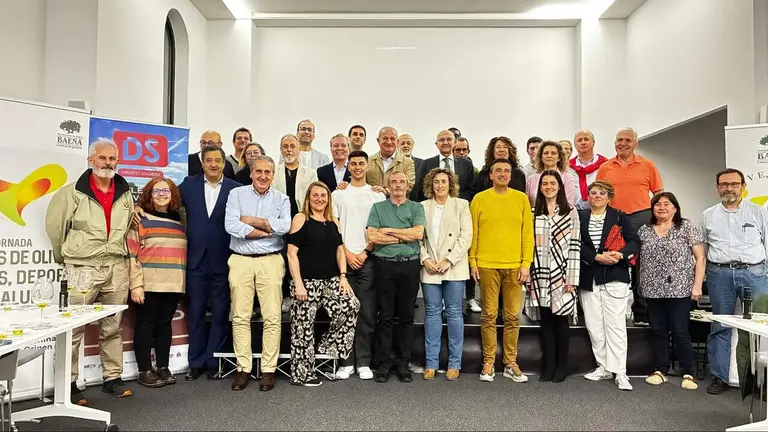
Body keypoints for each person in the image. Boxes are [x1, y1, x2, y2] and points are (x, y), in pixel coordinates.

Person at [45, 139, 134, 404]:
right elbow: (55, 228)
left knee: (113, 327)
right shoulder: (71, 192)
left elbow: (129, 226)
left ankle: (112, 379)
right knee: (73, 329)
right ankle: (68, 383)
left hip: (116, 267)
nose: (108, 163)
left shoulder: (125, 193)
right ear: (91, 160)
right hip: (82, 267)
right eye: (103, 158)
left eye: (112, 159)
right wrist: (68, 256)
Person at [224, 155, 291, 392]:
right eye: (259, 172)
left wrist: (250, 221)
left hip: (270, 261)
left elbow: (285, 227)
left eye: (268, 172)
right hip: (241, 261)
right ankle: (244, 368)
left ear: (273, 175)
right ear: (251, 173)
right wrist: (266, 229)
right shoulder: (236, 195)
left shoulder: (282, 199)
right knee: (240, 316)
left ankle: (268, 370)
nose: (263, 176)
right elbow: (231, 225)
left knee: (272, 317)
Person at [700, 168, 768, 395]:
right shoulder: (708, 215)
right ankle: (719, 377)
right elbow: (703, 249)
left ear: (743, 186)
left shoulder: (758, 212)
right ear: (717, 187)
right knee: (721, 325)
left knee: (759, 327)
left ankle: (759, 381)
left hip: (754, 273)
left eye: (734, 184)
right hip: (720, 274)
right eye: (724, 184)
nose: (729, 188)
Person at [287, 182, 361, 386]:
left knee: (351, 305)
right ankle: (302, 375)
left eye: (323, 195)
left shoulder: (333, 221)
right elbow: (292, 253)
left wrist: (343, 276)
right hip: (306, 281)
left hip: (331, 280)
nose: (319, 199)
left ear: (328, 199)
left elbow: (339, 250)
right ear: (308, 198)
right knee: (303, 327)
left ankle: (326, 347)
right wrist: (298, 284)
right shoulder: (301, 219)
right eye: (315, 195)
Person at [470, 158, 533, 383]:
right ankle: (488, 362)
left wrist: (526, 263)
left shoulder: (521, 199)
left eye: (507, 171)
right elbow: (474, 232)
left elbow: (528, 234)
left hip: (514, 265)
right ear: (490, 175)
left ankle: (510, 363)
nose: (503, 174)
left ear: (511, 175)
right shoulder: (479, 199)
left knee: (512, 317)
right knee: (488, 315)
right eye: (498, 170)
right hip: (487, 265)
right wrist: (473, 261)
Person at [597, 127, 664, 326]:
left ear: (635, 143)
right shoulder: (605, 167)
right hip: (614, 219)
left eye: (627, 140)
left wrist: (659, 219)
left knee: (642, 265)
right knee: (611, 260)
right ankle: (608, 310)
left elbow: (659, 193)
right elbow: (600, 194)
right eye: (619, 140)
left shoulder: (648, 165)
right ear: (614, 143)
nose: (623, 143)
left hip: (641, 217)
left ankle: (642, 311)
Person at [638, 192, 704, 391]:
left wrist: (697, 285)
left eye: (667, 204)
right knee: (658, 330)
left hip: (680, 288)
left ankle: (688, 372)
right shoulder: (644, 230)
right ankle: (661, 370)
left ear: (675, 208)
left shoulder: (686, 227)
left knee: (680, 330)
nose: (662, 207)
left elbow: (700, 258)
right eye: (657, 204)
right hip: (652, 288)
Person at [578, 180, 639, 391]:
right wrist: (596, 257)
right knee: (594, 325)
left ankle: (620, 371)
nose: (596, 196)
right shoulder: (579, 216)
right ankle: (603, 367)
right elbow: (576, 244)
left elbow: (634, 242)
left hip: (615, 275)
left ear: (609, 197)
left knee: (615, 325)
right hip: (589, 276)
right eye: (593, 192)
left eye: (601, 193)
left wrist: (620, 254)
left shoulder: (620, 216)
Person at [127, 177, 186, 388]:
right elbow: (131, 253)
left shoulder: (180, 221)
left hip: (173, 283)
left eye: (166, 191)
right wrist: (136, 284)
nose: (162, 194)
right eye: (156, 191)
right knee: (145, 325)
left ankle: (163, 366)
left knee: (164, 325)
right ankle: (144, 370)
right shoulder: (139, 220)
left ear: (173, 195)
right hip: (148, 283)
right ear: (149, 195)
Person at [367, 170, 425, 383]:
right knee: (385, 316)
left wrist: (389, 231)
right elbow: (373, 236)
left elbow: (418, 234)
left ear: (408, 185)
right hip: (384, 266)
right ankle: (383, 363)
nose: (398, 185)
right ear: (388, 186)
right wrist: (404, 235)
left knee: (406, 316)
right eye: (394, 182)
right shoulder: (378, 207)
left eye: (402, 181)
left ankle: (402, 362)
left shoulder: (416, 207)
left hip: (409, 266)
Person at [332, 151, 386, 380]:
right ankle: (346, 362)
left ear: (367, 166)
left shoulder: (377, 196)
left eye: (360, 164)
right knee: (344, 312)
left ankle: (363, 362)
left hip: (367, 259)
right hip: (343, 258)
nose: (356, 167)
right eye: (352, 164)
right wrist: (346, 251)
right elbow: (333, 224)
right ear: (348, 166)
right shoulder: (337, 194)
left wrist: (364, 252)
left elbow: (379, 229)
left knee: (366, 312)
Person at [419, 168, 472, 381]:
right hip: (430, 266)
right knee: (431, 312)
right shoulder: (422, 207)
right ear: (431, 185)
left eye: (444, 181)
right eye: (436, 182)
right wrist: (426, 260)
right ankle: (431, 363)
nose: (440, 185)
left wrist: (449, 260)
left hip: (454, 266)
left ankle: (454, 363)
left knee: (454, 313)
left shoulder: (462, 205)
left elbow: (466, 236)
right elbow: (417, 237)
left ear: (451, 184)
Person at [528, 170, 580, 383]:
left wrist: (572, 279)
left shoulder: (571, 211)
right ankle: (548, 365)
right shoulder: (534, 212)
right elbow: (529, 245)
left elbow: (575, 245)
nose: (548, 187)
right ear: (540, 188)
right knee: (546, 321)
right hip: (540, 273)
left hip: (563, 273)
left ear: (560, 186)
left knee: (561, 321)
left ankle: (562, 366)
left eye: (552, 183)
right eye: (545, 183)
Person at [273, 134, 319, 312]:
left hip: (302, 221)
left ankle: (302, 294)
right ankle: (285, 296)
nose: (289, 149)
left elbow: (313, 198)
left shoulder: (310, 173)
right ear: (280, 149)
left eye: (293, 146)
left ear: (299, 149)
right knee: (283, 259)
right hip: (280, 223)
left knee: (302, 258)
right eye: (285, 146)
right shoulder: (274, 171)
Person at [417, 130, 476, 201]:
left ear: (454, 143)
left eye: (449, 139)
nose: (445, 142)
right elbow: (421, 189)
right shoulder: (427, 163)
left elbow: (471, 189)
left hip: (458, 207)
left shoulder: (466, 164)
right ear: (436, 144)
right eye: (441, 140)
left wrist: (455, 201)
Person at [526, 141, 577, 207]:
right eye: (546, 153)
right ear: (541, 156)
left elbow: (569, 204)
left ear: (559, 157)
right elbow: (528, 204)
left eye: (553, 153)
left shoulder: (568, 178)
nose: (549, 156)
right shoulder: (531, 179)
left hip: (562, 215)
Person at [569, 129, 608, 211]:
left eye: (586, 139)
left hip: (600, 210)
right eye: (579, 140)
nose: (583, 142)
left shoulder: (605, 165)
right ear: (575, 145)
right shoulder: (568, 167)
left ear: (593, 142)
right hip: (574, 211)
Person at [397, 133, 423, 201]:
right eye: (402, 143)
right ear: (397, 145)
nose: (406, 145)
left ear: (413, 145)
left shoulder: (422, 163)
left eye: (408, 143)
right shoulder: (391, 163)